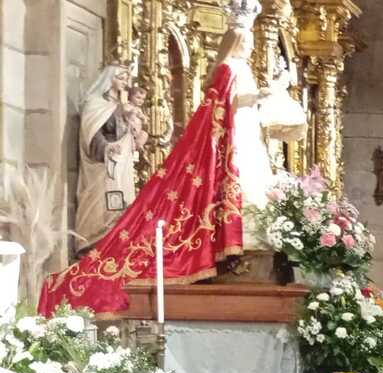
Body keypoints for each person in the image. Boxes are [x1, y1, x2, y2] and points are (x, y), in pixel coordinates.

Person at [39, 2, 295, 315]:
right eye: (248, 40)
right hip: (230, 133)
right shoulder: (229, 68)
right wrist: (261, 96)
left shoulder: (242, 69)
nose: (252, 45)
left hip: (244, 130)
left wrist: (267, 98)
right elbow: (226, 99)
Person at [74, 65, 138, 252]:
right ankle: (93, 244)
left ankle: (113, 245)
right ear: (110, 79)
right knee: (101, 204)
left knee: (118, 205)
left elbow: (127, 134)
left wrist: (133, 131)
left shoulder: (122, 106)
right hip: (101, 164)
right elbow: (91, 133)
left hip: (120, 165)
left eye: (126, 79)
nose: (125, 82)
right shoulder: (95, 103)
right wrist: (106, 148)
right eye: (121, 77)